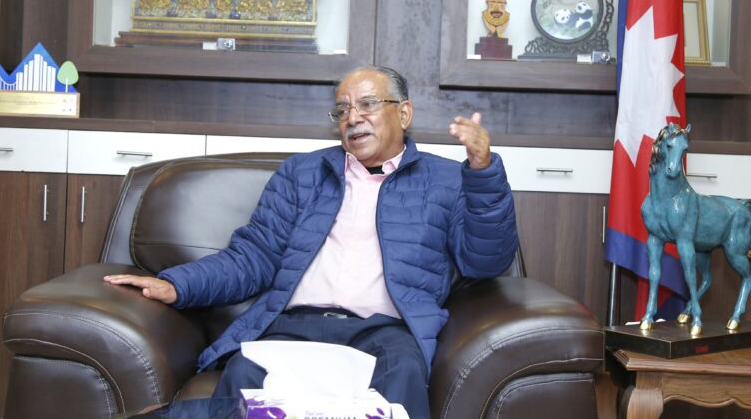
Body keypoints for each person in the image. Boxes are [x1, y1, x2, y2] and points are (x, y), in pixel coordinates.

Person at [104, 66, 519, 419]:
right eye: (343, 109)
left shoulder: (449, 180)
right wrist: (177, 285)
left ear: (404, 113)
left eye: (367, 104)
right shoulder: (302, 174)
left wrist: (482, 172)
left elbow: (486, 261)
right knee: (245, 374)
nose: (353, 118)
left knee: (403, 378)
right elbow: (253, 257)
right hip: (294, 328)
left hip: (386, 333)